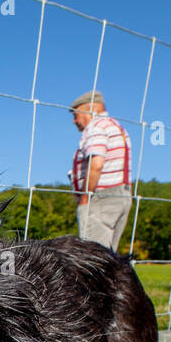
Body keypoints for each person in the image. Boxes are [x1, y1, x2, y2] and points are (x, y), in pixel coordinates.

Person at [69, 90, 133, 253]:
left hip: (102, 197)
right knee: (109, 258)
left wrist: (85, 197)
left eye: (76, 115)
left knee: (92, 259)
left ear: (89, 108)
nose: (75, 121)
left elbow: (96, 163)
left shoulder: (96, 127)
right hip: (122, 195)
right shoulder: (116, 127)